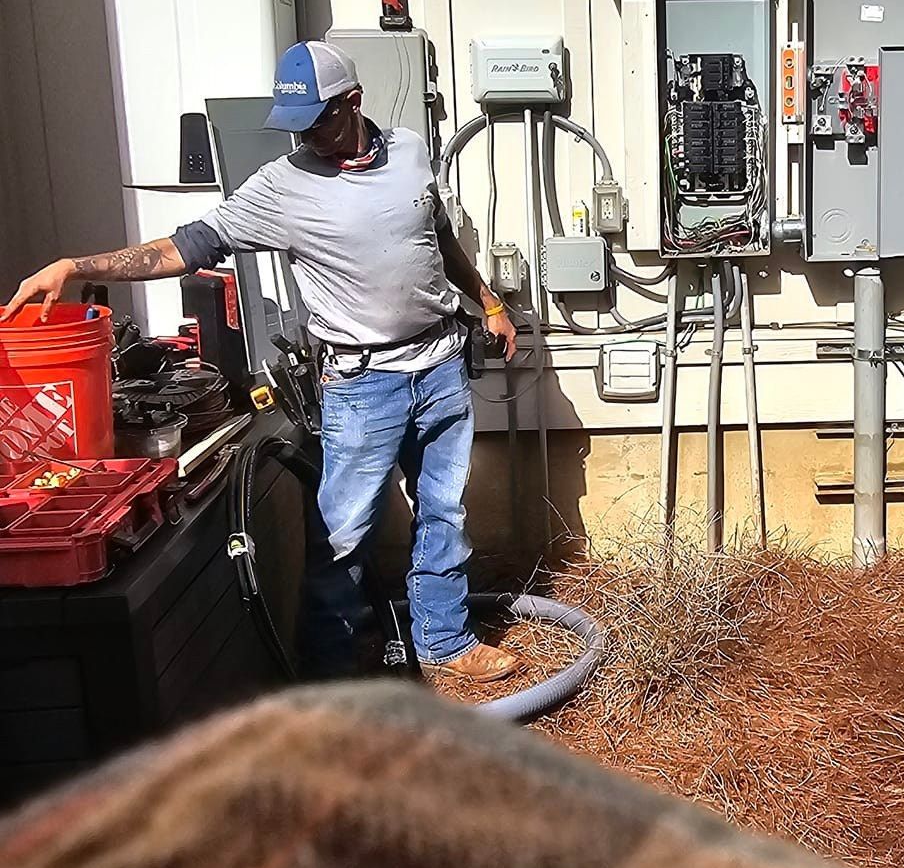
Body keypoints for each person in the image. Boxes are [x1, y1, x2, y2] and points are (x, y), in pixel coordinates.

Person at [3, 41, 521, 683]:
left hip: (441, 364)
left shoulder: (411, 151)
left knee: (445, 511)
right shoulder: (282, 186)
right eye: (294, 122)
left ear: (352, 104)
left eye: (316, 120)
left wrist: (488, 302)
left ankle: (445, 642)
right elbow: (186, 247)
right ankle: (331, 675)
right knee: (344, 533)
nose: (303, 136)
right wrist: (79, 266)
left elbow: (436, 236)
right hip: (363, 387)